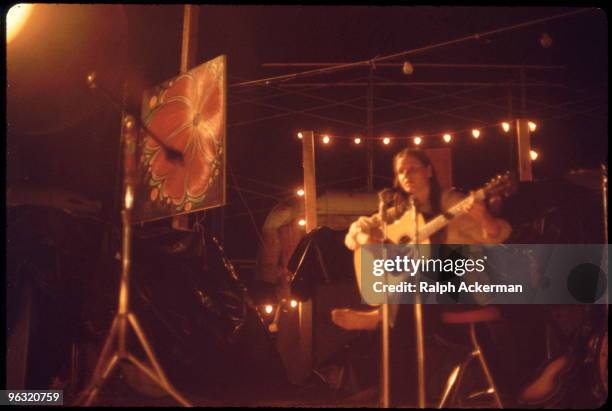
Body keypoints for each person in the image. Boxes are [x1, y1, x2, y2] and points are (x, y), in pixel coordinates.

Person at [334, 147, 512, 329]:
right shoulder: (401, 212)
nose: (406, 175)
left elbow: (499, 236)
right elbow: (357, 229)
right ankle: (389, 325)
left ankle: (379, 317)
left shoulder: (452, 203)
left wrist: (484, 217)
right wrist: (363, 238)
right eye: (401, 171)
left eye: (413, 168)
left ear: (429, 171)